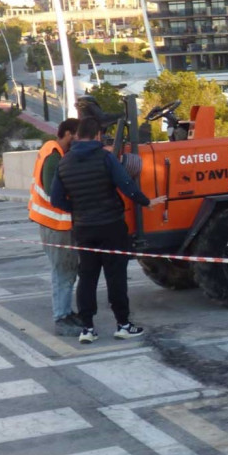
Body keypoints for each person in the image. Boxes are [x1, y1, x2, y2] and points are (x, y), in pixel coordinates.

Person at [49, 117, 166, 344]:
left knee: (87, 277)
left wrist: (77, 210)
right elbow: (126, 185)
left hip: (83, 228)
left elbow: (56, 199)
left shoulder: (64, 163)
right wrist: (146, 202)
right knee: (116, 276)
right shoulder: (105, 157)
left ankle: (88, 329)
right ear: (97, 136)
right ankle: (123, 325)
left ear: (77, 135)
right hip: (111, 226)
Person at [28, 118, 80, 336]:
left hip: (54, 223)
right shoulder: (53, 156)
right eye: (78, 134)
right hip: (55, 224)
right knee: (63, 272)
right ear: (68, 133)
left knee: (67, 271)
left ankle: (67, 312)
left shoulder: (54, 152)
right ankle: (61, 317)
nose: (79, 139)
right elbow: (53, 193)